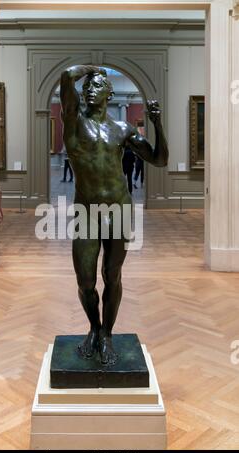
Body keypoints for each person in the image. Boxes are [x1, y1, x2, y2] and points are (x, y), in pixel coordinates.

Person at [60, 65, 168, 365]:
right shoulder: (73, 123)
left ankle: (106, 334)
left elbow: (159, 159)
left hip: (118, 209)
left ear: (109, 92)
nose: (89, 89)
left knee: (112, 275)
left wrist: (157, 123)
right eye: (87, 86)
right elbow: (68, 75)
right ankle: (93, 328)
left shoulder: (122, 129)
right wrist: (93, 67)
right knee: (85, 281)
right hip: (87, 211)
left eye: (97, 85)